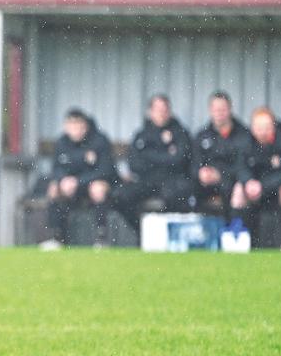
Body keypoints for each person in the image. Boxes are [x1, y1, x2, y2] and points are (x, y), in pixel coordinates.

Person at [39, 108, 118, 250]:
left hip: (92, 186)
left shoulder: (99, 141)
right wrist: (63, 180)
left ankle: (101, 238)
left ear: (85, 126)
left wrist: (79, 181)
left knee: (98, 188)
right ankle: (56, 237)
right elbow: (56, 169)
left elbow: (106, 170)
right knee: (54, 188)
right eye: (72, 125)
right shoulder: (62, 143)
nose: (76, 129)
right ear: (66, 127)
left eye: (79, 125)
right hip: (71, 189)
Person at [112, 94, 193, 232]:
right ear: (150, 112)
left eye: (164, 109)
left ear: (169, 111)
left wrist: (149, 156)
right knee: (120, 195)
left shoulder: (180, 133)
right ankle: (143, 232)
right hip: (146, 180)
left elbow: (180, 161)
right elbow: (134, 164)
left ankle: (166, 234)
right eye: (157, 109)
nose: (161, 113)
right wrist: (166, 155)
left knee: (177, 195)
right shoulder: (141, 134)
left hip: (172, 180)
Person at [231, 107, 281, 247]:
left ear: (273, 126)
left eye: (267, 127)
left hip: (275, 188)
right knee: (238, 191)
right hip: (254, 190)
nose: (263, 131)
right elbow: (240, 167)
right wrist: (248, 182)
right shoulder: (245, 142)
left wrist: (263, 185)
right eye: (258, 127)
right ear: (252, 127)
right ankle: (238, 237)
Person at [191, 91, 252, 214]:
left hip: (231, 182)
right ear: (210, 110)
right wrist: (201, 173)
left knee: (232, 189)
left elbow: (244, 166)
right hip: (207, 184)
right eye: (216, 109)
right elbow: (194, 163)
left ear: (230, 109)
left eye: (223, 109)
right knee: (186, 190)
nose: (219, 113)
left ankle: (231, 230)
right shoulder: (202, 135)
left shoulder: (243, 134)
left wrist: (220, 175)